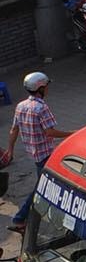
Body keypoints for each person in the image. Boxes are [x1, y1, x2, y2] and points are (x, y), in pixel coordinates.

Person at [4, 73, 70, 234]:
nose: (48, 88)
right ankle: (20, 219)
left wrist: (10, 149)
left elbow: (14, 130)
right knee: (44, 188)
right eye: (46, 85)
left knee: (48, 184)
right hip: (46, 154)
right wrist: (72, 134)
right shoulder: (41, 108)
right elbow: (50, 132)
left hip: (34, 154)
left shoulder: (21, 106)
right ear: (40, 88)